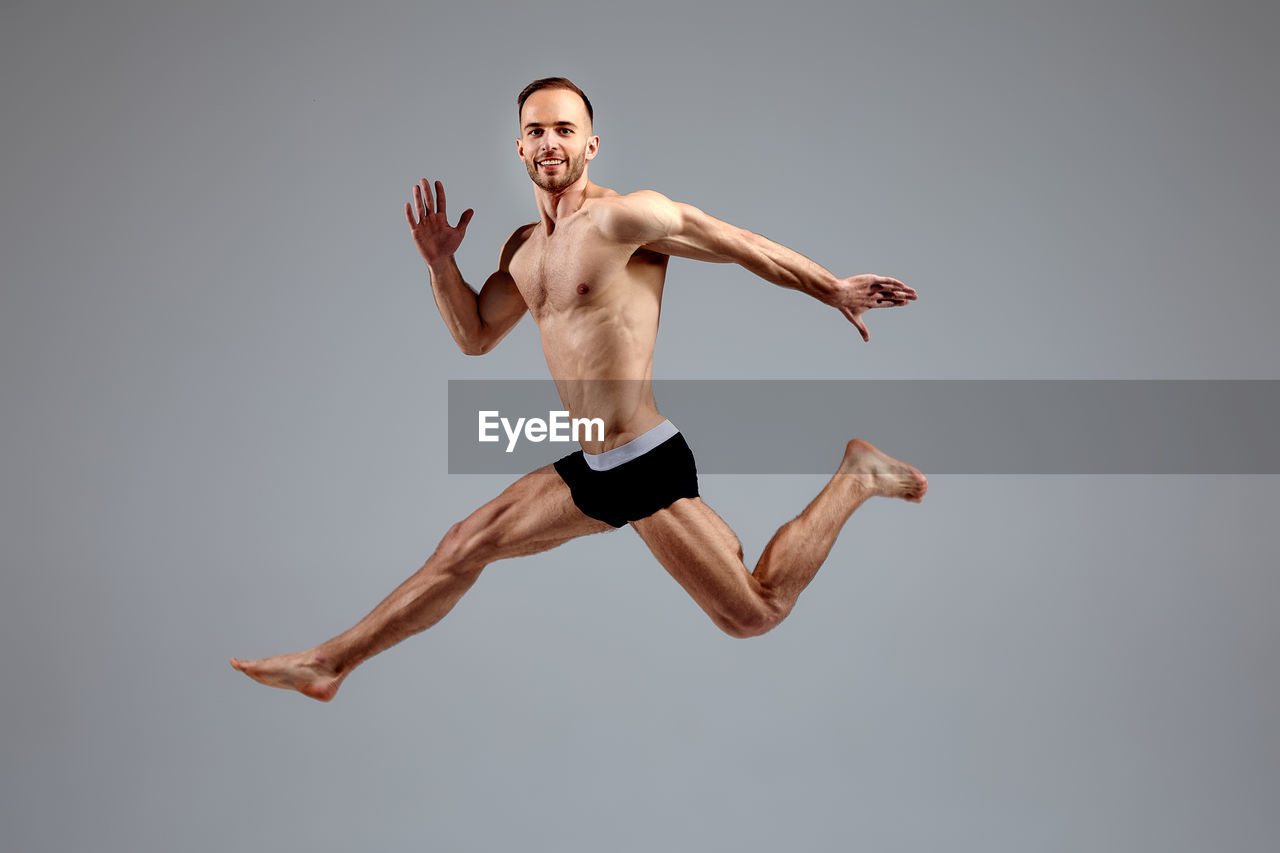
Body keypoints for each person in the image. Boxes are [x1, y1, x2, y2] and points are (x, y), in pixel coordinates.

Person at [230, 77, 927, 701]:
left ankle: (857, 477)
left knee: (755, 610)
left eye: (564, 129)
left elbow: (734, 241)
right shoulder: (523, 250)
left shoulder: (625, 218)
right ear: (519, 146)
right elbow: (474, 336)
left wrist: (829, 285)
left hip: (643, 459)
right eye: (536, 129)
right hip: (593, 461)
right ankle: (330, 663)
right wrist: (442, 267)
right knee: (462, 545)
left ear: (591, 142)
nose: (550, 141)